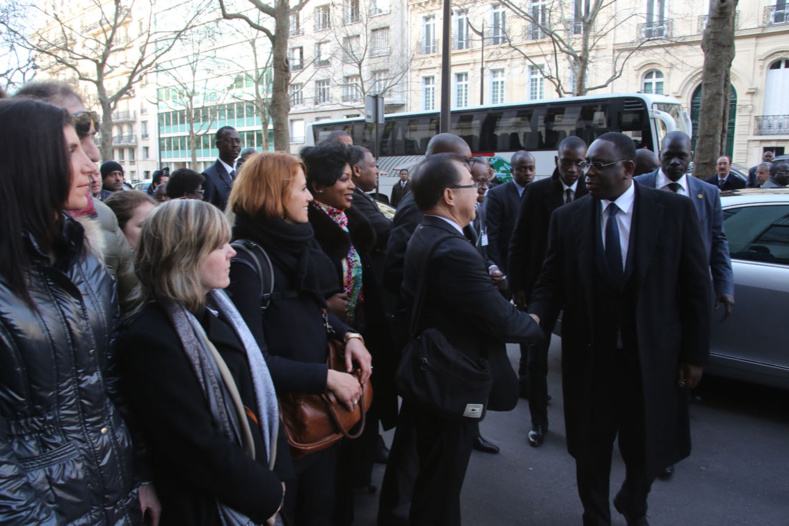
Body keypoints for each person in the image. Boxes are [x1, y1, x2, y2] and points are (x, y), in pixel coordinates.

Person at [529, 132, 711, 526]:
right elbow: (551, 282)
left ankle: (634, 501)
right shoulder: (569, 218)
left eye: (598, 164)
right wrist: (534, 319)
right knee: (591, 448)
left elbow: (697, 287)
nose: (586, 172)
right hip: (591, 360)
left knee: (648, 446)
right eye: (586, 164)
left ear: (628, 170)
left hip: (651, 359)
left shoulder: (674, 212)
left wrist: (695, 356)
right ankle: (595, 515)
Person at [0, 97, 142, 524]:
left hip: (112, 491)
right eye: (70, 152)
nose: (90, 166)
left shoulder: (84, 258)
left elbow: (111, 379)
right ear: (26, 162)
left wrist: (142, 476)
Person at [383, 152, 543, 526]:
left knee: (429, 471)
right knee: (441, 483)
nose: (480, 191)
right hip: (452, 379)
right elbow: (500, 319)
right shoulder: (452, 248)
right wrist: (534, 321)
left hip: (434, 368)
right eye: (472, 185)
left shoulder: (431, 231)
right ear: (450, 196)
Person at [225, 151, 371, 526]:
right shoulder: (246, 263)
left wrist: (350, 334)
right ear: (274, 194)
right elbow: (251, 361)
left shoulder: (298, 246)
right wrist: (326, 377)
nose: (310, 198)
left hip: (318, 413)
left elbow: (316, 311)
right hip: (282, 430)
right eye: (303, 189)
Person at [118, 199, 285, 525]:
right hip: (210, 505)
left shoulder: (218, 313)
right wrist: (267, 492)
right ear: (185, 255)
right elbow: (196, 446)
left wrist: (276, 476)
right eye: (218, 245)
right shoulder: (151, 340)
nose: (231, 252)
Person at [301, 142, 392, 522]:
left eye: (351, 176)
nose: (351, 184)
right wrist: (327, 307)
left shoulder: (346, 218)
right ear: (317, 187)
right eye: (342, 178)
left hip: (356, 335)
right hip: (326, 346)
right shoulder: (306, 227)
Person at [14, 81, 143, 327]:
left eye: (90, 136)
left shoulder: (101, 217)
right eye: (71, 143)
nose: (94, 157)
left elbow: (130, 315)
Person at [509, 136, 589, 447]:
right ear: (556, 161)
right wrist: (517, 285)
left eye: (578, 163)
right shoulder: (537, 192)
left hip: (581, 289)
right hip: (541, 284)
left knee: (580, 357)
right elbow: (519, 239)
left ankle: (580, 423)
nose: (572, 169)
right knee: (536, 355)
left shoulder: (592, 191)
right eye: (566, 162)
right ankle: (538, 421)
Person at [203, 126, 241, 210]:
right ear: (218, 145)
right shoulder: (209, 176)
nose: (235, 145)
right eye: (229, 141)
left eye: (237, 141)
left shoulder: (242, 173)